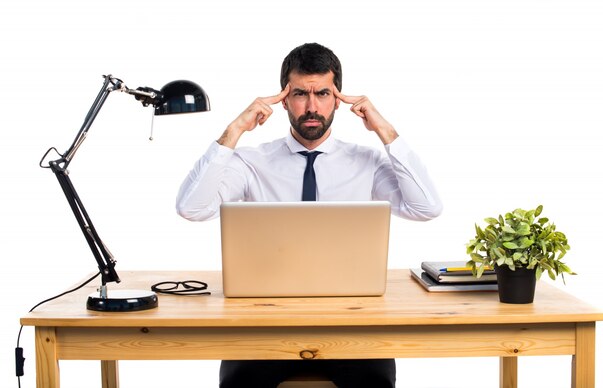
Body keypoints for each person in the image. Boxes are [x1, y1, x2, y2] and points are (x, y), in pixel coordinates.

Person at [176, 43, 442, 388]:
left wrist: (384, 131)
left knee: (375, 381)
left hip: (352, 327)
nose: (312, 106)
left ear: (338, 98)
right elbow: (191, 207)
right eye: (301, 93)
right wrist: (234, 130)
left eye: (323, 93)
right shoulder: (251, 162)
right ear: (284, 99)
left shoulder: (369, 162)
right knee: (238, 382)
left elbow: (427, 207)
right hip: (264, 327)